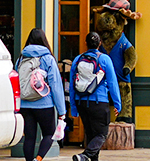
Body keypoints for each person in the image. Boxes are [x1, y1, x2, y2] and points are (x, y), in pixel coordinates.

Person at [70, 31, 121, 161]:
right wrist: (117, 104)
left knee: (91, 135)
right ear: (100, 43)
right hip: (99, 102)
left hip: (81, 102)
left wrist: (74, 107)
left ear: (85, 43)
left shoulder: (77, 59)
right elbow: (112, 83)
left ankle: (89, 158)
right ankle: (84, 156)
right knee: (101, 134)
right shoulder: (104, 59)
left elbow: (72, 85)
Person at [17, 29, 66, 161]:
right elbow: (55, 85)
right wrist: (62, 111)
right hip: (45, 104)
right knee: (49, 134)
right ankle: (38, 159)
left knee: (29, 136)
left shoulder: (22, 58)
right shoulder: (48, 58)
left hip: (25, 104)